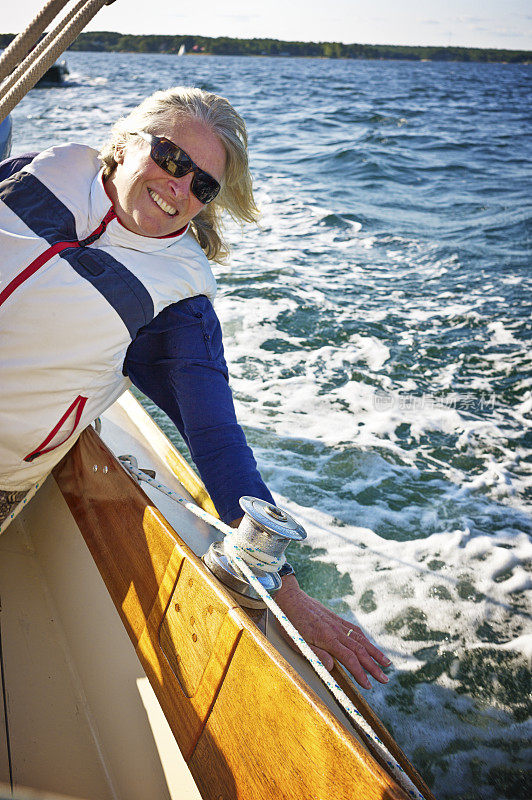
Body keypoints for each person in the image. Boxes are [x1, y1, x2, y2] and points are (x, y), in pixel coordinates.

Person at [0, 86, 390, 689]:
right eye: (171, 158)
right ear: (126, 142)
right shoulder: (44, 170)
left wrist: (281, 587)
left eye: (202, 185)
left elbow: (215, 437)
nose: (180, 186)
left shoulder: (176, 301)